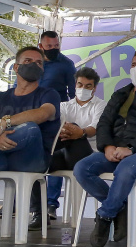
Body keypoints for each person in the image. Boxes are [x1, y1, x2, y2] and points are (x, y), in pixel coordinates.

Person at [73, 49, 136, 247]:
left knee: (125, 169)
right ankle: (120, 208)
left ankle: (105, 216)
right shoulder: (121, 93)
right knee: (81, 169)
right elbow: (103, 124)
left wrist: (131, 147)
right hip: (114, 150)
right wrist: (107, 146)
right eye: (134, 64)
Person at [0, 46, 60, 246]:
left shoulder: (49, 94)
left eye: (39, 63)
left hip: (30, 159)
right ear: (16, 67)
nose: (34, 65)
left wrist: (4, 123)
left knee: (30, 128)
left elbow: (43, 114)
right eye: (28, 61)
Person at [29, 68, 107, 230]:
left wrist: (80, 132)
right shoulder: (63, 106)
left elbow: (94, 129)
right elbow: (56, 129)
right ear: (75, 84)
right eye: (80, 84)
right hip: (64, 153)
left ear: (94, 88)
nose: (83, 88)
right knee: (34, 162)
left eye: (88, 86)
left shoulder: (101, 105)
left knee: (77, 131)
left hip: (88, 156)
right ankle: (39, 213)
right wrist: (70, 131)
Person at [30, 31, 76, 224]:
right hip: (30, 115)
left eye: (56, 46)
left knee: (55, 155)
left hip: (56, 115)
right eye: (49, 47)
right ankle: (18, 202)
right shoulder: (32, 62)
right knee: (28, 155)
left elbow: (73, 92)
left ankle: (50, 204)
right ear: (41, 46)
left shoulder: (66, 64)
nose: (54, 49)